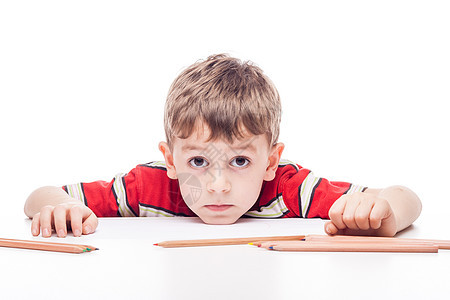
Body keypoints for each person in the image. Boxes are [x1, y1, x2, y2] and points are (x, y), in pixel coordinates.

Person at [24, 54, 422, 238]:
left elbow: (407, 200)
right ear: (171, 160)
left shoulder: (286, 188)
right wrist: (60, 208)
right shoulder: (149, 186)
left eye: (240, 161)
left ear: (271, 160)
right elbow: (37, 198)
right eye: (198, 160)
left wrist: (380, 211)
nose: (216, 185)